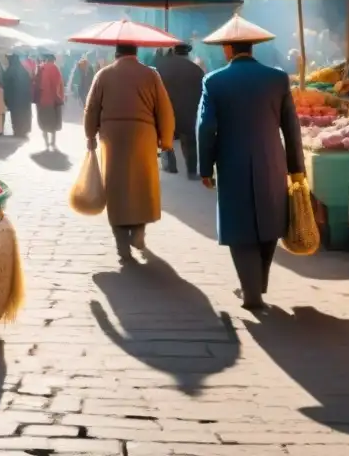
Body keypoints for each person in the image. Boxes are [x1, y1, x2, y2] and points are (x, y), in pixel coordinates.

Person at [196, 17, 303, 312]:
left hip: (232, 161)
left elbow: (206, 128)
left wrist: (205, 168)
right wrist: (297, 168)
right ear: (252, 47)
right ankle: (257, 285)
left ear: (228, 48)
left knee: (239, 225)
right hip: (272, 160)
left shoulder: (214, 81)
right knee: (270, 222)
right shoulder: (277, 78)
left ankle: (252, 291)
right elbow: (291, 127)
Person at [84, 44, 175, 263]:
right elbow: (164, 109)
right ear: (135, 54)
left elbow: (92, 108)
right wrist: (167, 140)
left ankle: (122, 245)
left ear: (116, 54)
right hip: (143, 137)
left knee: (116, 190)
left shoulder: (103, 75)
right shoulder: (151, 75)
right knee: (140, 187)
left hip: (112, 139)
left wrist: (90, 136)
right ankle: (138, 231)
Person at [158, 44, 204, 179]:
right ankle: (191, 171)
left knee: (167, 137)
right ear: (186, 54)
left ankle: (169, 165)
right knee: (189, 142)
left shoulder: (162, 67)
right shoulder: (196, 69)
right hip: (188, 110)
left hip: (166, 109)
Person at [33, 53, 65, 150]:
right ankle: (53, 142)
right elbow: (59, 84)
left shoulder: (40, 68)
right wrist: (60, 98)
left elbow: (35, 82)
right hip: (53, 100)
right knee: (53, 122)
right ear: (53, 60)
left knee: (43, 122)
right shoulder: (55, 69)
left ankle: (46, 143)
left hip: (41, 100)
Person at [4, 53, 33, 137]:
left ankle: (17, 130)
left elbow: (6, 84)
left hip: (15, 99)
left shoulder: (10, 70)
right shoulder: (24, 70)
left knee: (16, 115)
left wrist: (6, 99)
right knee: (24, 114)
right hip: (25, 99)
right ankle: (24, 130)